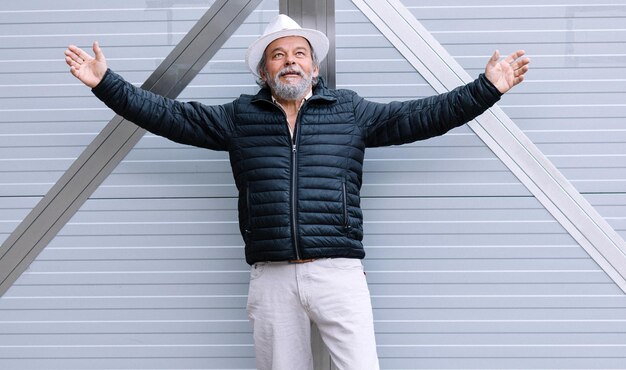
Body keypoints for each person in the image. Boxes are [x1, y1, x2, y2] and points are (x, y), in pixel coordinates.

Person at [64, 14, 529, 370]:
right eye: (278, 54)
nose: (290, 61)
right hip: (271, 277)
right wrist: (106, 83)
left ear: (314, 64)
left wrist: (487, 88)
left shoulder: (350, 112)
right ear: (265, 70)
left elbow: (425, 115)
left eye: (299, 53)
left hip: (338, 271)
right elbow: (166, 115)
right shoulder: (238, 118)